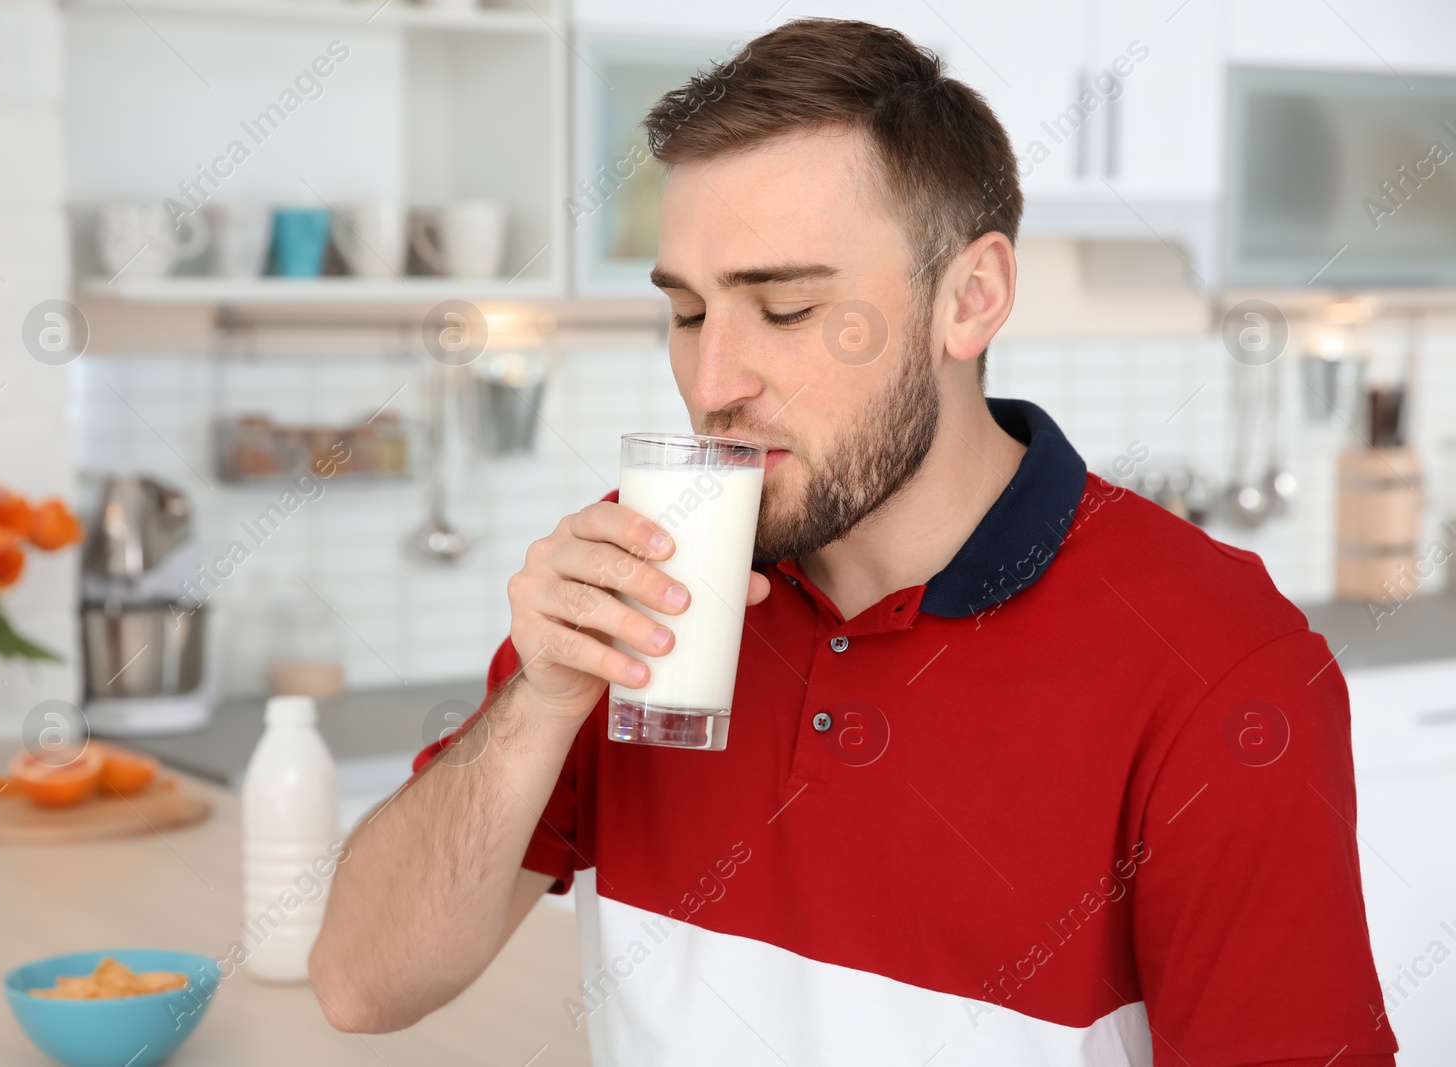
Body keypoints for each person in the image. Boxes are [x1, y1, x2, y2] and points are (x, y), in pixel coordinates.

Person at [310, 18, 1396, 1066]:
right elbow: (363, 982)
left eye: (782, 308)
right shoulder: (649, 581)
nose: (713, 383)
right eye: (687, 313)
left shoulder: (1219, 665)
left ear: (969, 300)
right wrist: (537, 702)